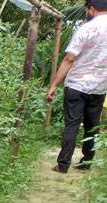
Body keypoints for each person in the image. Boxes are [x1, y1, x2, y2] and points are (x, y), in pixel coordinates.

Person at [46, 0, 107, 173]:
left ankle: (63, 164)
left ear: (92, 9)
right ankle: (86, 163)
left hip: (76, 86)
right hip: (100, 87)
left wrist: (54, 85)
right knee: (92, 126)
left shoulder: (86, 29)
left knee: (72, 125)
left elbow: (69, 59)